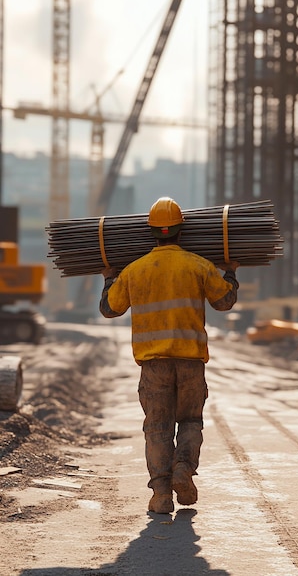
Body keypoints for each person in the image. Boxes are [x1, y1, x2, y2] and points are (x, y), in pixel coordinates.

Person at [99, 197, 239, 514]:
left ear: (151, 233)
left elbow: (109, 309)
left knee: (157, 428)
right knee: (190, 421)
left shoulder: (134, 271)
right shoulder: (199, 265)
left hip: (153, 366)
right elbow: (224, 302)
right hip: (190, 363)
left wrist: (109, 278)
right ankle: (183, 470)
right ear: (181, 231)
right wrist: (230, 274)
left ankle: (161, 495)